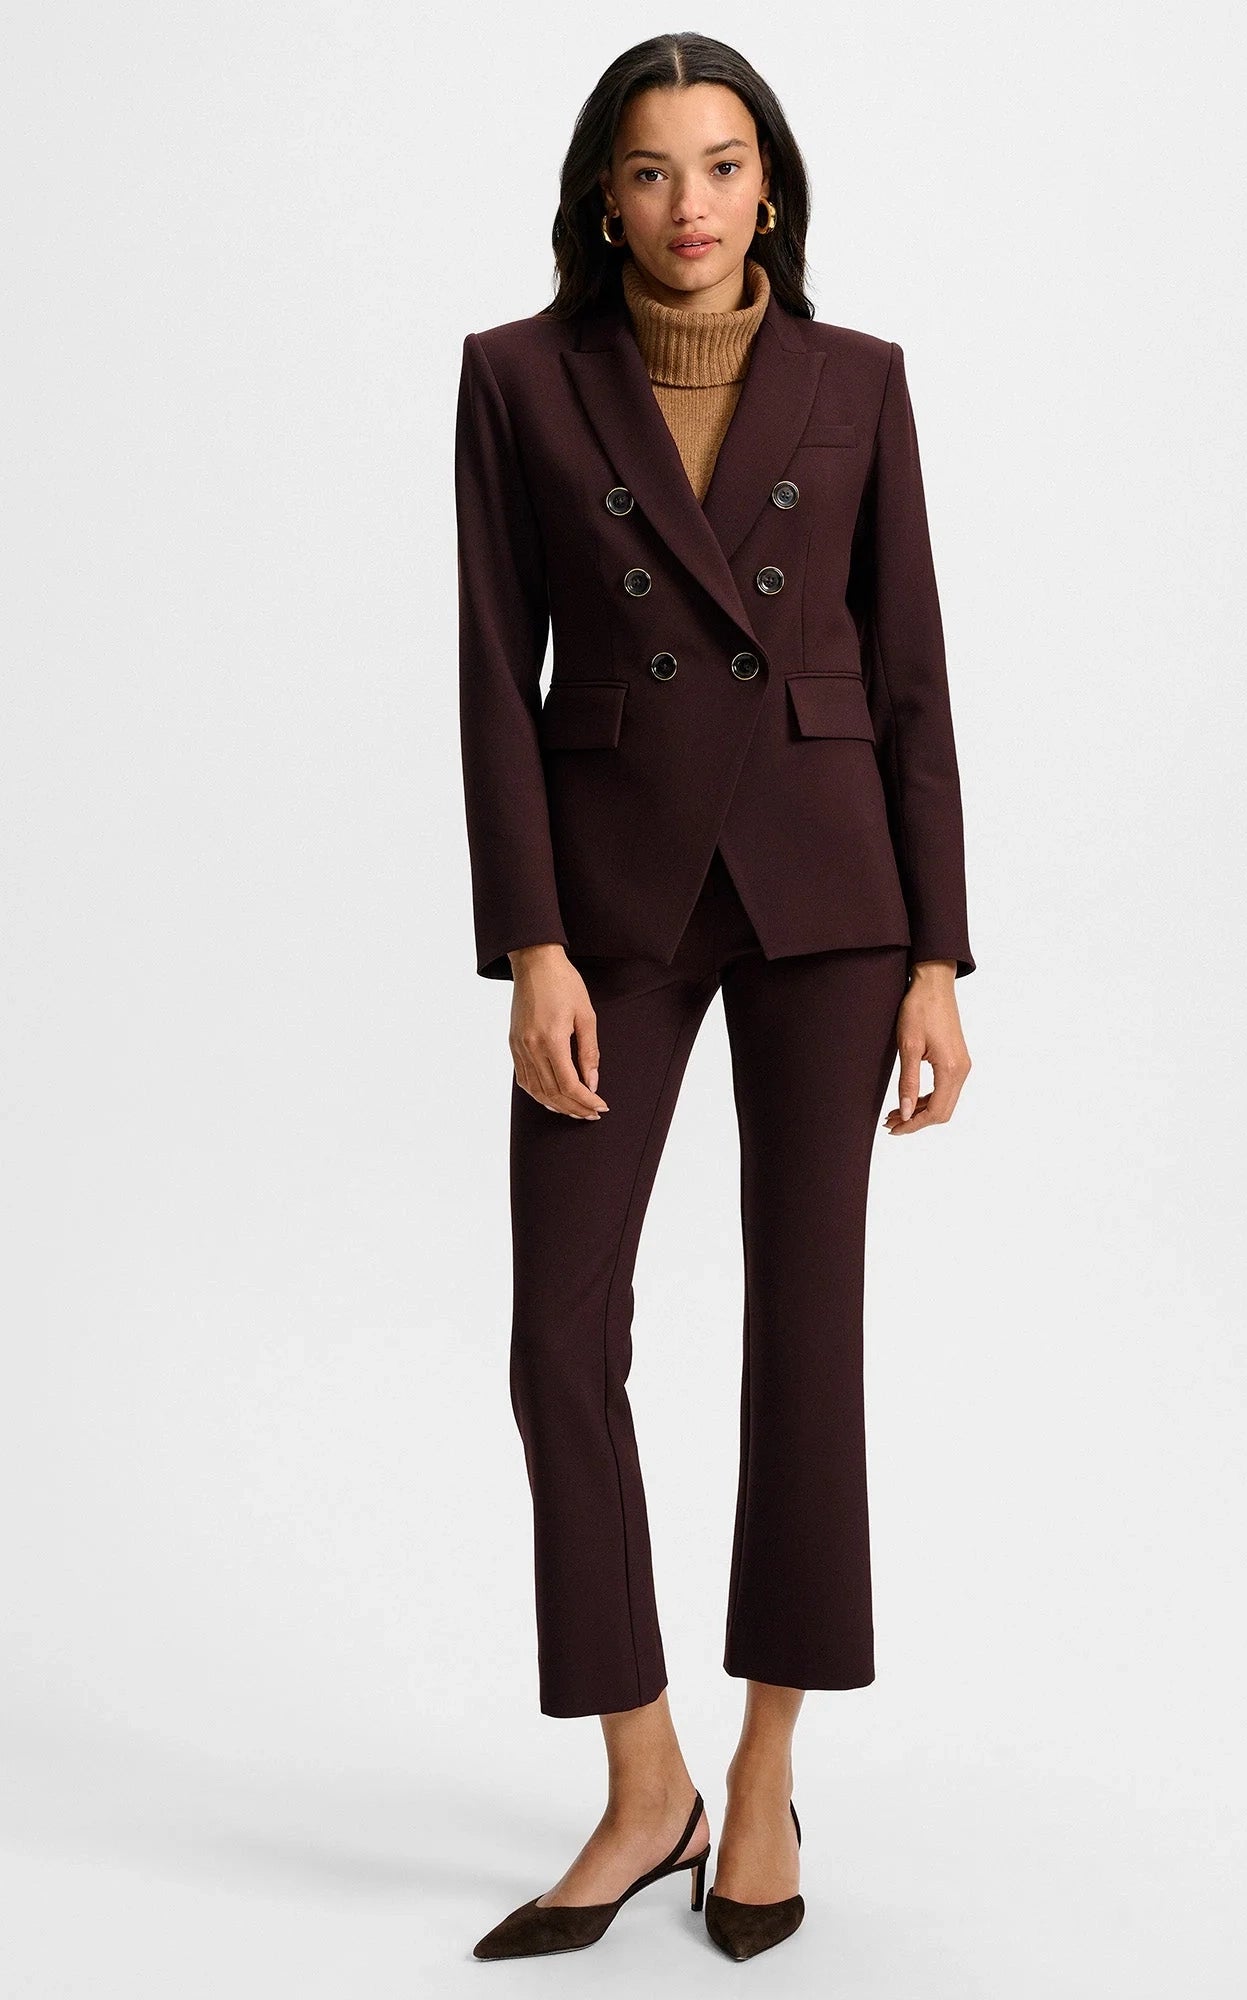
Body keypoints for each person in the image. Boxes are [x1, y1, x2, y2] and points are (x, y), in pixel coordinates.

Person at [455, 31, 975, 1963]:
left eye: (725, 163)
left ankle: (762, 1774)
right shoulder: (517, 376)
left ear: (772, 186)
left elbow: (909, 671)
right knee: (556, 1333)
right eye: (654, 168)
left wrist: (938, 952)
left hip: (832, 894)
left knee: (804, 1330)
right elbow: (489, 671)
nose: (692, 203)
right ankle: (640, 1778)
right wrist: (529, 943)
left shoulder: (859, 381)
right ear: (603, 196)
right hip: (612, 899)